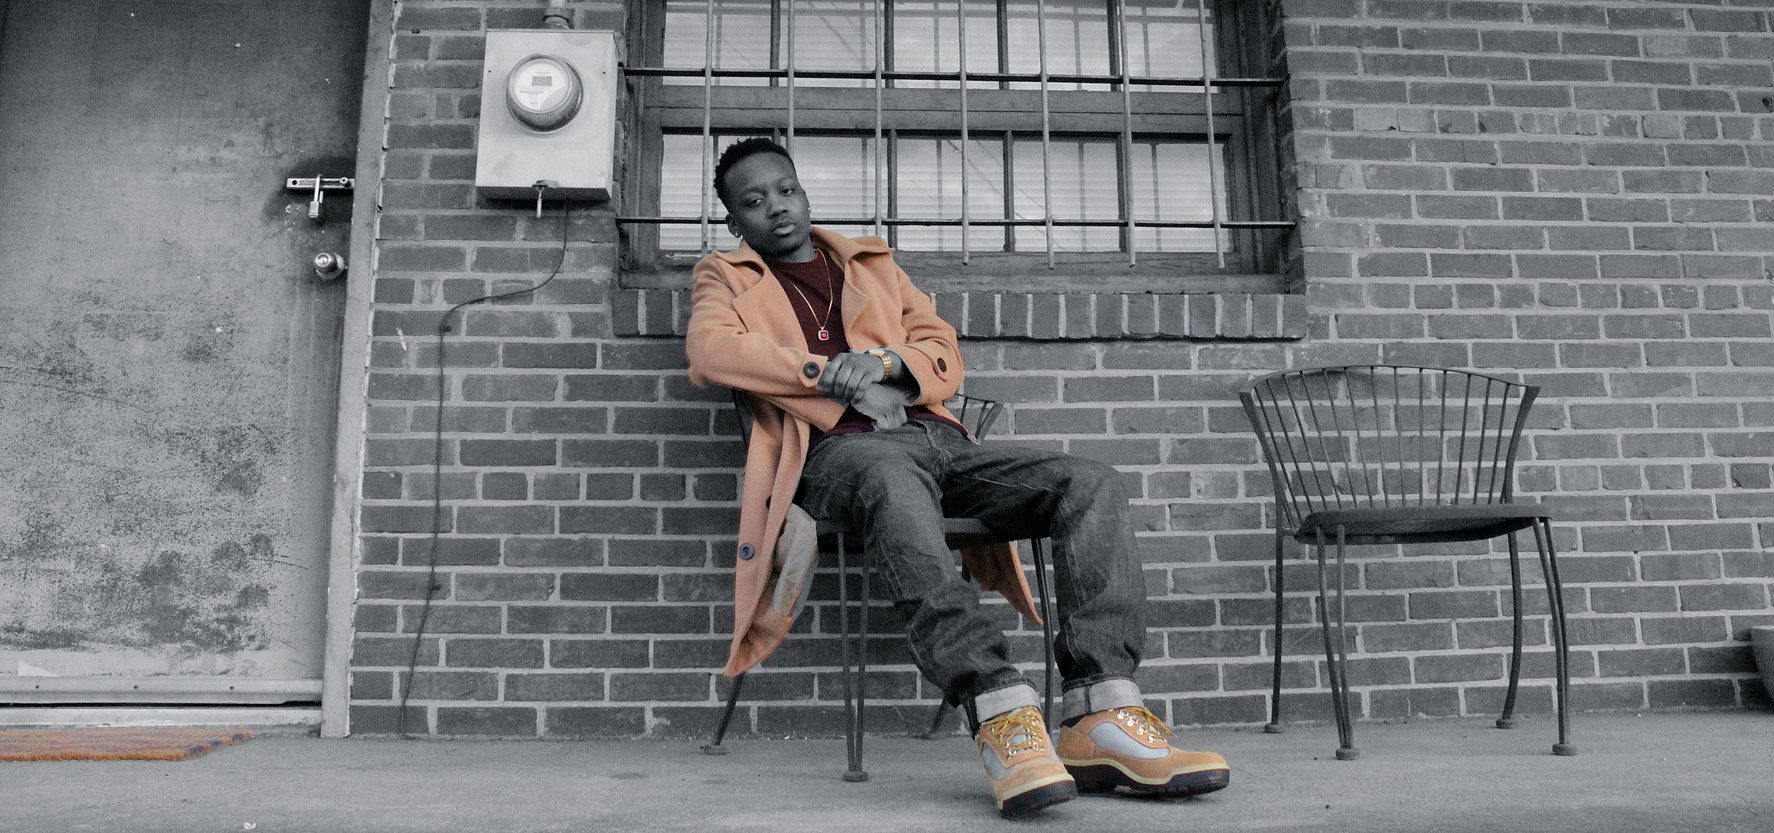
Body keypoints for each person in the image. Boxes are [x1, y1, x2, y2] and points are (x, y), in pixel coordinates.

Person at [684, 137, 1229, 819]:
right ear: (735, 220)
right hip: (835, 456)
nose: (777, 207)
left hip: (938, 439)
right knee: (888, 474)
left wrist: (884, 365)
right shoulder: (725, 276)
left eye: (786, 189)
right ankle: (997, 705)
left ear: (804, 192)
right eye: (754, 201)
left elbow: (941, 351)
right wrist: (834, 378)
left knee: (1089, 481)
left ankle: (1099, 710)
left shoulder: (871, 264)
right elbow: (711, 350)